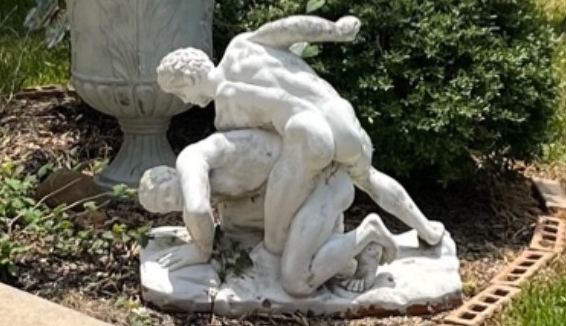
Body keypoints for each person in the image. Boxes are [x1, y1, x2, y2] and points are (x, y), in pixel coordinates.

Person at [155, 14, 444, 259]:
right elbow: (289, 28)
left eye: (181, 92)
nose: (186, 100)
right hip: (339, 117)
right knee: (368, 177)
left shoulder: (227, 116)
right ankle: (426, 229)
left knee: (282, 225)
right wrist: (335, 31)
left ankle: (298, 248)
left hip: (309, 135)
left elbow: (262, 158)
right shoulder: (241, 46)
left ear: (191, 80)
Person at [139, 128, 400, 298]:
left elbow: (196, 210)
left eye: (165, 194)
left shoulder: (192, 160)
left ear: (170, 173)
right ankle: (360, 250)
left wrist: (200, 250)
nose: (172, 201)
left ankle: (369, 231)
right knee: (301, 260)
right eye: (165, 206)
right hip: (303, 194)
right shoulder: (218, 190)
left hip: (322, 183)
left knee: (297, 283)